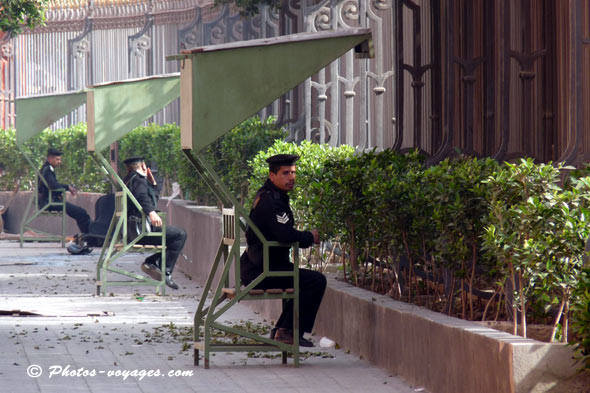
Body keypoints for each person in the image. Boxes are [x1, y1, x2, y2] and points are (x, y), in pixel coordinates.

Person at [240, 154, 326, 347]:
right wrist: (310, 237)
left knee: (300, 279)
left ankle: (282, 330)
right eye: (285, 173)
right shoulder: (272, 201)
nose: (291, 177)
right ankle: (286, 331)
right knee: (315, 281)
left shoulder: (270, 195)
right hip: (263, 273)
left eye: (293, 173)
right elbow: (285, 235)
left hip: (261, 267)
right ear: (272, 176)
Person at [123, 156, 187, 290]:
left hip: (131, 231)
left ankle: (153, 262)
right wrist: (151, 213)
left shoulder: (128, 180)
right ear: (143, 166)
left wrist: (152, 183)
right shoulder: (139, 181)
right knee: (180, 235)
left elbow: (148, 195)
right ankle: (166, 271)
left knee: (172, 238)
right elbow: (142, 197)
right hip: (141, 232)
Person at [38, 148, 90, 234]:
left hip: (49, 200)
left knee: (80, 213)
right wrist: (67, 187)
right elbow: (54, 186)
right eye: (57, 159)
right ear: (50, 159)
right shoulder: (47, 170)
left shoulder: (46, 168)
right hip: (50, 202)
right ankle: (90, 237)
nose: (59, 162)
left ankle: (89, 236)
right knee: (81, 213)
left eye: (60, 160)